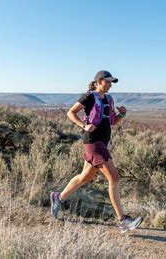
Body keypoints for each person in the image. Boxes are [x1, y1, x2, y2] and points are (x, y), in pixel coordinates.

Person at [50, 70, 143, 233]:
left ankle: (58, 197)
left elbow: (112, 121)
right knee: (114, 177)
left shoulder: (109, 99)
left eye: (111, 82)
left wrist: (122, 114)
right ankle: (123, 221)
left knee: (85, 177)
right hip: (93, 142)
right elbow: (70, 113)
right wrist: (83, 125)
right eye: (107, 82)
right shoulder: (89, 97)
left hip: (102, 143)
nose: (110, 85)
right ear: (99, 81)